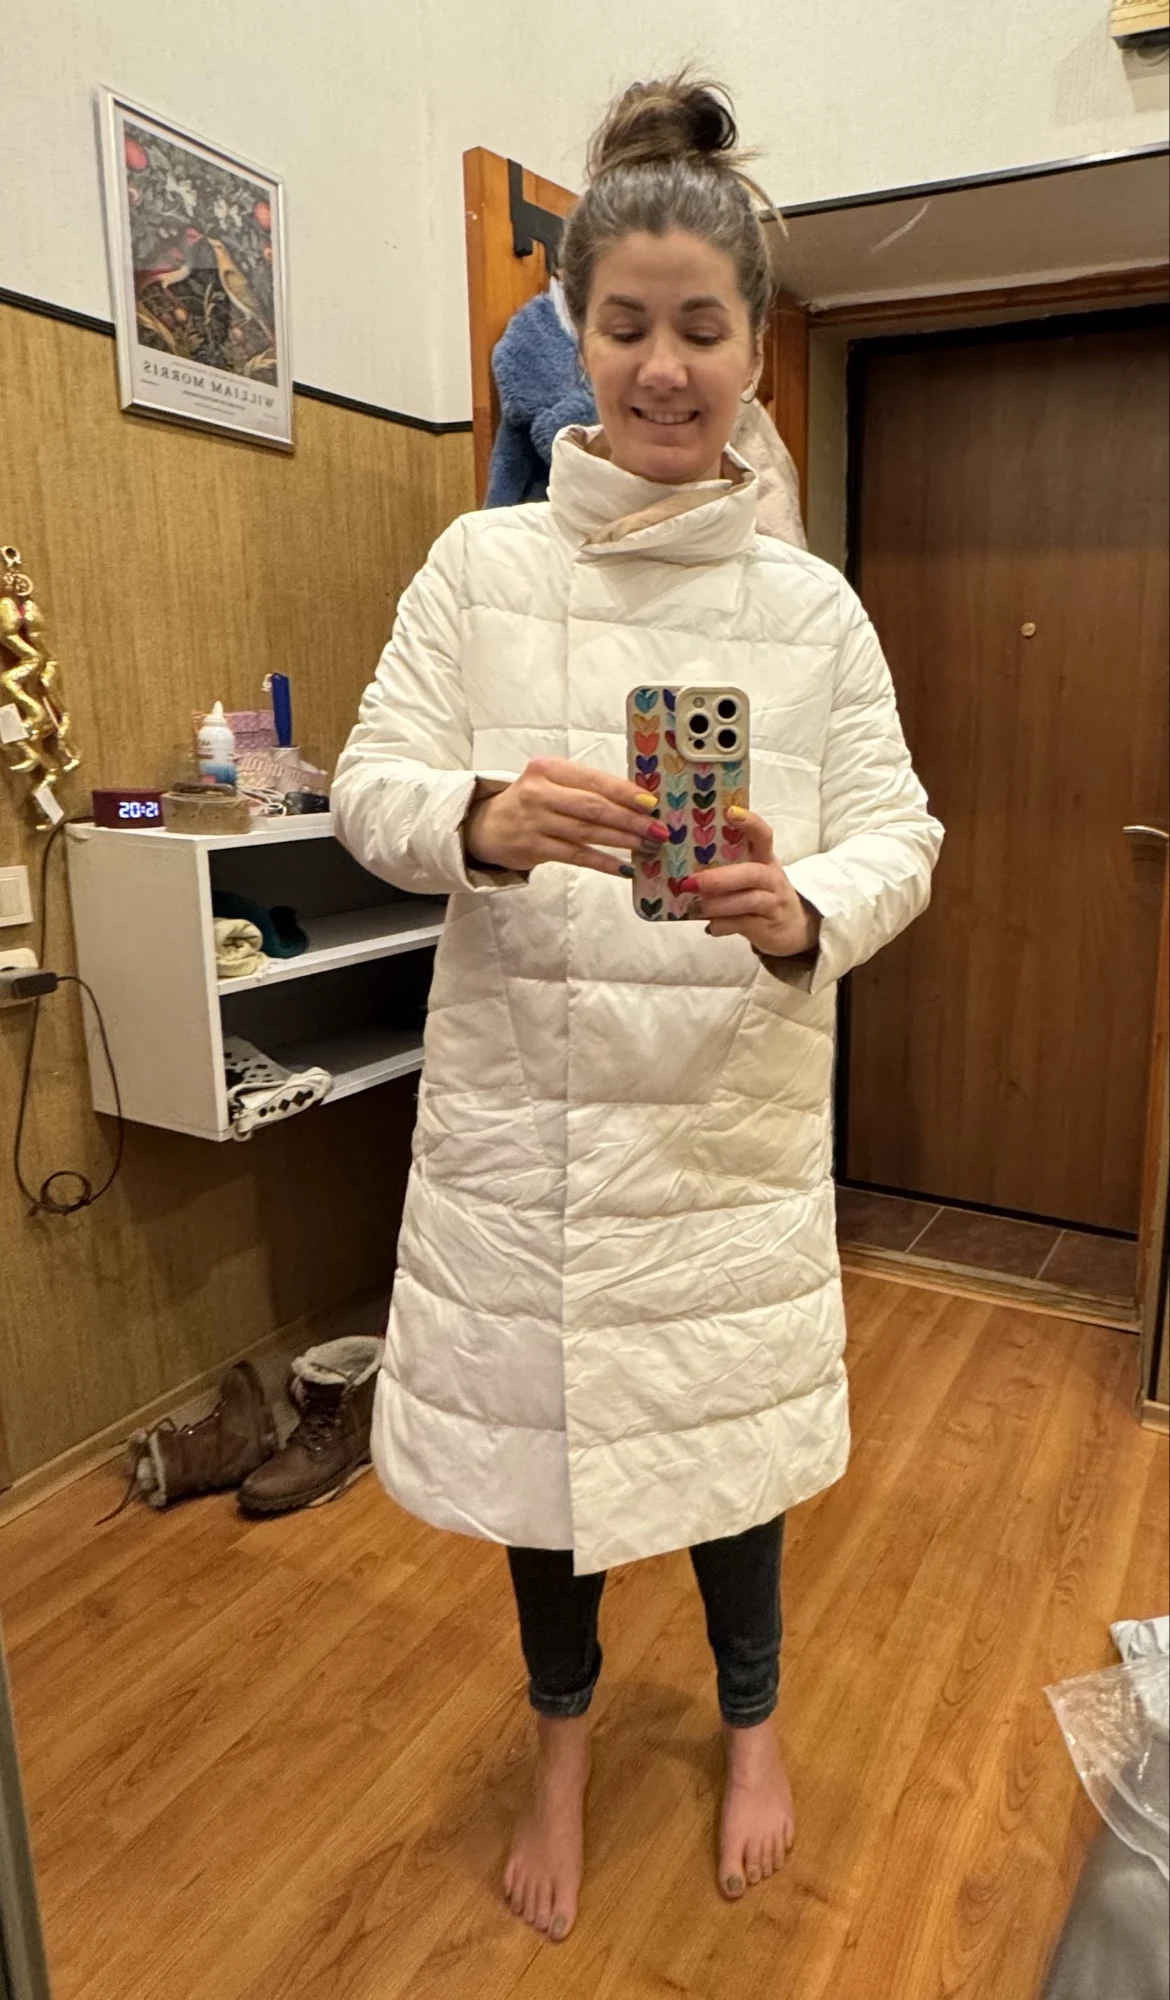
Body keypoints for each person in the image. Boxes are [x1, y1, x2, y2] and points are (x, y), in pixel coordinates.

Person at [333, 73, 943, 1947]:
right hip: (529, 1116)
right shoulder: (480, 566)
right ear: (571, 339)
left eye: (699, 328)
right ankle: (562, 1752)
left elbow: (904, 834)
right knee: (548, 1469)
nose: (662, 368)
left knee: (726, 1441)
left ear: (754, 351)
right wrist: (483, 820)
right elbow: (368, 789)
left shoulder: (811, 611)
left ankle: (752, 1731)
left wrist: (801, 906)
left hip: (720, 1116)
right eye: (624, 326)